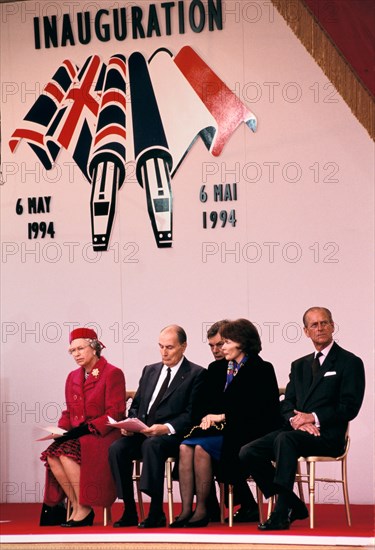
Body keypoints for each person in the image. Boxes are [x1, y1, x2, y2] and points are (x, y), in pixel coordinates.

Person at [239, 307, 366, 531]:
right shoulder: (299, 365)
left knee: (285, 441)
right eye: (314, 325)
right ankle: (294, 503)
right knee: (248, 451)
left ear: (333, 326)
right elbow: (287, 403)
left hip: (327, 435)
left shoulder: (350, 362)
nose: (320, 328)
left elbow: (349, 407)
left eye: (324, 323)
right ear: (306, 331)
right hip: (297, 431)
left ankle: (281, 512)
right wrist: (296, 420)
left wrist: (313, 418)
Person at [170, 318, 282, 528]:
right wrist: (208, 417)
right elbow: (204, 403)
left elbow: (261, 410)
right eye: (217, 344)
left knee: (202, 449)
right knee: (185, 446)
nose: (220, 348)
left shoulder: (262, 368)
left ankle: (204, 510)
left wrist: (223, 416)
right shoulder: (217, 369)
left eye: (225, 343)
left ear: (241, 342)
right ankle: (187, 509)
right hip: (221, 429)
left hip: (249, 430)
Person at [109, 324, 206, 529]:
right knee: (117, 448)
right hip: (144, 432)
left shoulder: (196, 374)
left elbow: (192, 415)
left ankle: (156, 512)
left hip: (172, 436)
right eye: (160, 346)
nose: (164, 352)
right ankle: (129, 509)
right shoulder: (150, 370)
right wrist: (130, 423)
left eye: (169, 347)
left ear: (183, 346)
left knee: (152, 445)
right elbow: (136, 405)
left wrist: (166, 427)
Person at [40, 328, 126, 527]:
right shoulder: (73, 377)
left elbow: (115, 413)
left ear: (94, 348)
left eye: (80, 349)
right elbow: (69, 411)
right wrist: (60, 430)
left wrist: (83, 430)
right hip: (79, 434)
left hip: (103, 434)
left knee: (65, 453)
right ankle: (79, 505)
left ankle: (85, 508)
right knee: (52, 454)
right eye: (72, 351)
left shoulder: (112, 373)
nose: (76, 354)